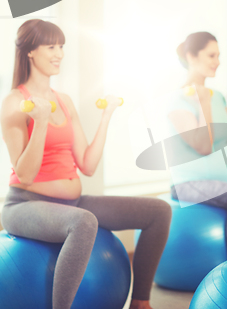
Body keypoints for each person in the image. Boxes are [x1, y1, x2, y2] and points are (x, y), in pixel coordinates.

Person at [0, 19, 171, 309]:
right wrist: (40, 122)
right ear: (30, 51)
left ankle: (140, 302)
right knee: (84, 222)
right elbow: (25, 175)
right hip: (24, 205)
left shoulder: (64, 101)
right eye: (50, 46)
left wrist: (107, 118)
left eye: (61, 46)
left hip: (73, 201)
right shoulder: (15, 103)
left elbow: (87, 165)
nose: (59, 53)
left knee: (159, 211)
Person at [167, 32, 227, 258]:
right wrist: (202, 101)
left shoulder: (218, 96)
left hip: (225, 180)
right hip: (187, 184)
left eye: (219, 55)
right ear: (191, 57)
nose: (218, 61)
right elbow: (203, 145)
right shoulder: (177, 100)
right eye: (211, 55)